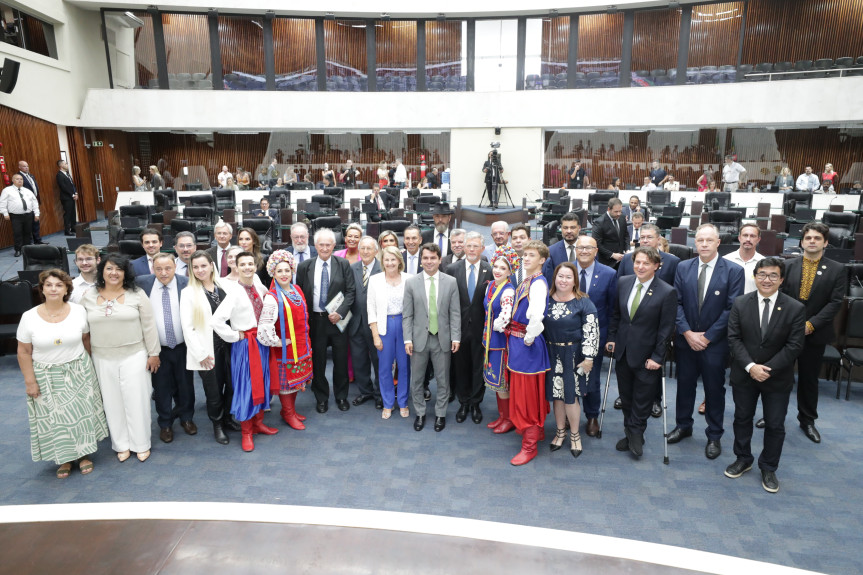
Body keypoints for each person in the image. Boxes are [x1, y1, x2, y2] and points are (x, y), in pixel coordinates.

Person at [17, 269, 109, 479]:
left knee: (81, 415)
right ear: (42, 289)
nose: (53, 289)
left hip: (79, 370)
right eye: (48, 285)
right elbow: (23, 351)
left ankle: (84, 455)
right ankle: (65, 458)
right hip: (46, 376)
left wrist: (91, 369)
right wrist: (30, 382)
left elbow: (86, 340)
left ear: (67, 289)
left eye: (59, 285)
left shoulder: (78, 311)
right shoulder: (29, 317)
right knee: (57, 420)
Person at [726, 258, 806, 494]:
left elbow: (794, 346)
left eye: (773, 275)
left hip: (777, 377)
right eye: (762, 274)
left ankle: (769, 467)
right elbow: (734, 338)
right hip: (745, 374)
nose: (766, 280)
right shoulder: (741, 303)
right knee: (742, 418)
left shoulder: (795, 308)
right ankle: (743, 458)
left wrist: (766, 369)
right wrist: (751, 366)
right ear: (755, 277)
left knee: (775, 424)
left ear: (781, 280)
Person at [669, 224, 745, 460]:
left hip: (715, 343)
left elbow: (732, 309)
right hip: (686, 340)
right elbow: (676, 303)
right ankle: (683, 425)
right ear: (695, 242)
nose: (704, 244)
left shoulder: (734, 270)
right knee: (684, 385)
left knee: (714, 389)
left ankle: (714, 434)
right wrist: (687, 333)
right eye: (700, 240)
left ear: (718, 242)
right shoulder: (683, 267)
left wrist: (707, 336)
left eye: (709, 240)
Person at [81, 254, 161, 463]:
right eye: (109, 268)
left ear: (126, 273)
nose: (114, 273)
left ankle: (141, 444)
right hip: (102, 356)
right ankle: (121, 444)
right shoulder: (88, 296)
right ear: (102, 271)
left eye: (119, 269)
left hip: (134, 355)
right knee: (112, 402)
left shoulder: (137, 294)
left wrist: (153, 353)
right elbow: (83, 330)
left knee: (137, 400)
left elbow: (149, 326)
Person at [607, 247, 677, 458]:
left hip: (648, 356)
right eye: (637, 262)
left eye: (646, 263)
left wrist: (658, 357)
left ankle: (637, 433)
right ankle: (630, 431)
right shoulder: (623, 282)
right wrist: (611, 338)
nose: (640, 266)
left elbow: (666, 329)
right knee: (626, 397)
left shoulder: (666, 291)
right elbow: (616, 315)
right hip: (623, 351)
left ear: (656, 265)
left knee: (642, 398)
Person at [779, 222, 844, 444]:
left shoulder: (837, 269)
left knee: (809, 379)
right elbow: (781, 296)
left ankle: (807, 420)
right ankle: (774, 415)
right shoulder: (788, 265)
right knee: (780, 377)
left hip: (815, 333)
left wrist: (811, 324)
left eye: (817, 238)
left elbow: (835, 303)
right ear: (801, 242)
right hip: (787, 332)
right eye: (808, 238)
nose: (812, 241)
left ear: (825, 243)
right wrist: (793, 324)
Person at [212, 251, 279, 452]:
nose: (247, 267)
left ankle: (258, 424)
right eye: (243, 264)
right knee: (246, 387)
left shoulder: (259, 284)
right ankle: (246, 432)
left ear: (255, 266)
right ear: (236, 267)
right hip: (245, 345)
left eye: (251, 264)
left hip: (262, 342)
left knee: (263, 382)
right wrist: (235, 335)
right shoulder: (233, 292)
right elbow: (216, 321)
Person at [136, 253, 195, 444]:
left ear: (175, 267)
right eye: (158, 269)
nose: (163, 273)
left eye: (168, 268)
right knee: (161, 388)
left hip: (182, 346)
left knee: (186, 385)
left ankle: (186, 418)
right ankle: (165, 424)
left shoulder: (186, 283)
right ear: (152, 269)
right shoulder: (142, 284)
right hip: (157, 349)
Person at [296, 228, 356, 413]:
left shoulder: (343, 264)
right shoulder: (304, 266)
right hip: (316, 321)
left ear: (334, 245)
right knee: (318, 361)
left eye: (328, 245)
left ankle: (341, 396)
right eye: (321, 244)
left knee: (340, 361)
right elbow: (299, 294)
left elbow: (350, 292)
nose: (324, 248)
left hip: (338, 321)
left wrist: (340, 312)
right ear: (315, 245)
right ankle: (321, 397)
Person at [544, 261, 599, 458]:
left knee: (571, 396)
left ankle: (575, 435)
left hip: (574, 355)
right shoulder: (546, 299)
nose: (564, 280)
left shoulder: (584, 302)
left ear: (575, 280)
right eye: (560, 276)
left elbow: (591, 332)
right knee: (557, 396)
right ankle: (560, 432)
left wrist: (589, 358)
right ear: (554, 278)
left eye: (568, 277)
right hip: (551, 353)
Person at [403, 243, 461, 432]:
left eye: (433, 258)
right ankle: (420, 413)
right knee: (417, 380)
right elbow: (407, 315)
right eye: (426, 258)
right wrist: (407, 339)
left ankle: (440, 414)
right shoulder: (411, 282)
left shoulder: (450, 282)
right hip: (418, 339)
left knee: (443, 380)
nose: (429, 261)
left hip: (442, 338)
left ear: (439, 260)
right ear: (421, 260)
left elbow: (455, 313)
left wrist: (456, 337)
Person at [180, 250, 234, 444]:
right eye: (195, 267)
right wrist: (200, 354)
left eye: (203, 265)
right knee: (214, 390)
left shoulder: (224, 286)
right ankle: (217, 424)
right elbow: (188, 328)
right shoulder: (188, 293)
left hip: (229, 346)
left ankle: (228, 418)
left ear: (212, 265)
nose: (200, 270)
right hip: (207, 349)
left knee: (232, 385)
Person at [505, 240, 551, 465]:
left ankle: (530, 446)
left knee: (527, 395)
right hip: (518, 341)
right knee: (524, 390)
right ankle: (536, 432)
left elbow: (537, 315)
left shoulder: (538, 283)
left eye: (532, 255)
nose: (526, 258)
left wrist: (528, 338)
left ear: (542, 260)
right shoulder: (528, 280)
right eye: (525, 255)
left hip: (526, 343)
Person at [258, 250, 313, 429]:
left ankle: (289, 411)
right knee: (287, 384)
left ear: (292, 271)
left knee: (296, 382)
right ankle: (288, 413)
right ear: (273, 273)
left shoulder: (297, 290)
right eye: (279, 271)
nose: (284, 274)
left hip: (302, 346)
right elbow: (264, 327)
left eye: (287, 270)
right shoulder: (272, 297)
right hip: (286, 350)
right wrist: (278, 342)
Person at [571, 235, 617, 435]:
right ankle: (570, 413)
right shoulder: (566, 270)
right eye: (580, 247)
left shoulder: (609, 273)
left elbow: (613, 309)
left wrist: (611, 337)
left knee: (591, 377)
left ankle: (591, 416)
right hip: (568, 335)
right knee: (568, 376)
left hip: (596, 336)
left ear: (596, 251)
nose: (584, 251)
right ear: (575, 250)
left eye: (588, 248)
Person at [446, 231, 492, 424]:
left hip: (482, 328)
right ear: (464, 247)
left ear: (482, 249)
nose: (472, 249)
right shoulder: (451, 269)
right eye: (469, 246)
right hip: (459, 327)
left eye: (476, 246)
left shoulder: (490, 270)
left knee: (478, 367)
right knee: (460, 366)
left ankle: (475, 403)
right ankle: (463, 402)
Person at [368, 246, 411, 418]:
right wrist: (375, 335)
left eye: (393, 259)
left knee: (404, 366)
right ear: (382, 261)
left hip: (404, 325)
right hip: (383, 326)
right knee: (385, 368)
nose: (390, 263)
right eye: (386, 259)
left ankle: (403, 402)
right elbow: (371, 308)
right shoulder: (375, 280)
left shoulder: (409, 279)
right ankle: (387, 403)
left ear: (399, 260)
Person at [482, 246, 518, 433]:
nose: (497, 270)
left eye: (503, 268)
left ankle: (509, 419)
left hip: (500, 342)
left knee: (502, 382)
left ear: (510, 272)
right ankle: (503, 416)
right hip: (490, 339)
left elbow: (505, 316)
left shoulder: (508, 290)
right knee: (496, 382)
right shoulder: (491, 285)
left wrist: (495, 325)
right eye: (496, 266)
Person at [349, 237, 383, 410]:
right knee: (359, 360)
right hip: (356, 322)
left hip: (377, 324)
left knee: (379, 361)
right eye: (362, 248)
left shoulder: (383, 268)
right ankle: (365, 391)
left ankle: (380, 394)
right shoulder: (352, 268)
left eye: (369, 248)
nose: (365, 251)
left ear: (376, 251)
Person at [0, 173, 39, 257]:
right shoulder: (7, 190)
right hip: (16, 216)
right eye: (17, 179)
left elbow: (34, 202)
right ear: (13, 180)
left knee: (27, 233)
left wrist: (37, 213)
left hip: (28, 215)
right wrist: (5, 213)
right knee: (17, 233)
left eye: (21, 179)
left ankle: (27, 249)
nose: (20, 180)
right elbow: (2, 202)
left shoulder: (27, 191)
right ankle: (18, 249)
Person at [724, 224, 765, 294]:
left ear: (758, 239)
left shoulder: (764, 262)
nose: (748, 239)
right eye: (745, 235)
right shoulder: (725, 260)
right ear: (739, 238)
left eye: (752, 236)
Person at [542, 212, 581, 284]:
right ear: (561, 229)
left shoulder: (588, 250)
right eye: (565, 228)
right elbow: (549, 280)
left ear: (579, 228)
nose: (569, 231)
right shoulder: (551, 251)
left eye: (572, 227)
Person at [592, 198, 628, 268]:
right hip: (606, 262)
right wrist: (612, 255)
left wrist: (627, 249)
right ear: (609, 209)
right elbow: (596, 243)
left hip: (621, 260)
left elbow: (626, 235)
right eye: (616, 211)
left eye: (620, 211)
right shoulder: (599, 222)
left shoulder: (622, 218)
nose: (618, 214)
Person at [16, 160, 44, 244]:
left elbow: (34, 188)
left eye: (27, 166)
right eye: (24, 166)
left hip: (34, 202)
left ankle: (37, 240)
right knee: (27, 224)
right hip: (26, 203)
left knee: (36, 221)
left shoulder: (31, 175)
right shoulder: (18, 177)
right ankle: (29, 242)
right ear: (19, 167)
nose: (26, 168)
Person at [56, 160, 78, 236]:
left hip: (72, 197)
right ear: (61, 166)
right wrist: (72, 194)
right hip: (66, 198)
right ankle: (67, 231)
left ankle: (73, 228)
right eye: (65, 164)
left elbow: (72, 185)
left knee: (73, 213)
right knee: (68, 214)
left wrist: (76, 193)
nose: (67, 165)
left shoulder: (67, 174)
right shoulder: (59, 175)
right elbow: (64, 187)